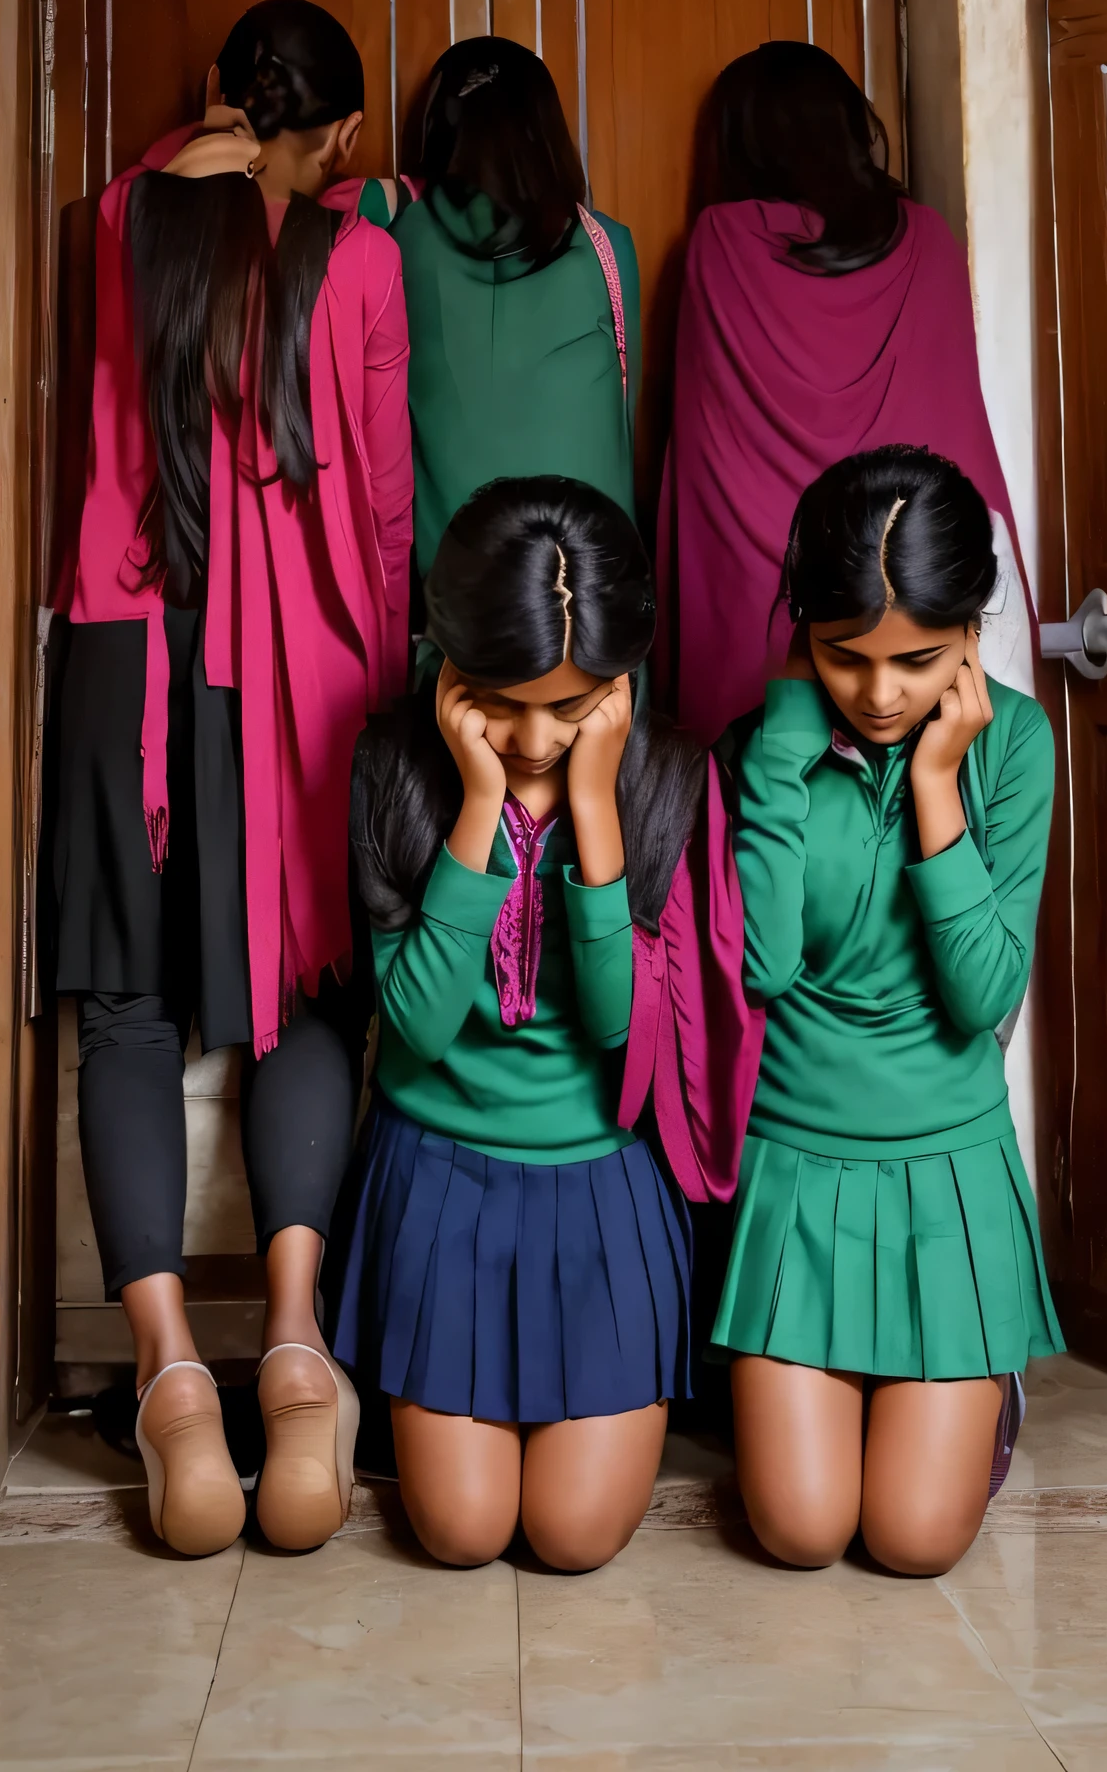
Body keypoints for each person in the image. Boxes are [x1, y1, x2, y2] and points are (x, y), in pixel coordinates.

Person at [51, 0, 413, 1557]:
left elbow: (161, 193)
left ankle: (167, 1380)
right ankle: (292, 1344)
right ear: (336, 137)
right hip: (303, 681)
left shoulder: (125, 223)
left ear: (215, 95)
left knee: (127, 1011)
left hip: (129, 659)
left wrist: (184, 140)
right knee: (310, 996)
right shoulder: (366, 260)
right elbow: (388, 511)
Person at [331, 476, 747, 1573]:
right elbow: (414, 1027)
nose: (532, 734)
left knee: (571, 1535)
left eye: (570, 706)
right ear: (448, 660)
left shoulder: (667, 778)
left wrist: (597, 814)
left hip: (603, 1189)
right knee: (463, 1532)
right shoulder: (391, 768)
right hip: (440, 1186)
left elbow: (620, 1029)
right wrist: (476, 808)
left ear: (620, 680)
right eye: (501, 697)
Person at [711, 445, 1062, 1576]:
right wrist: (776, 749)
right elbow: (760, 966)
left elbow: (982, 994)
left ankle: (971, 1384)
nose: (878, 691)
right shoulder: (765, 745)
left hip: (946, 1175)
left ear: (972, 625)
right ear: (803, 631)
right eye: (843, 655)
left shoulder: (1015, 747)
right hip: (796, 1169)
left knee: (913, 1540)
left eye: (917, 658)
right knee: (803, 1530)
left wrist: (934, 787)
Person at [657, 40, 1032, 746]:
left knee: (773, 840)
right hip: (930, 609)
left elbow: (706, 470)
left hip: (769, 618)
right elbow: (955, 427)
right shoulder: (929, 238)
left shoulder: (722, 241)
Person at [173, 34, 640, 576]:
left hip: (453, 622)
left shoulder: (395, 233)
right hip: (594, 612)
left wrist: (406, 190)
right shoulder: (609, 245)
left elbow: (298, 212)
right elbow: (623, 424)